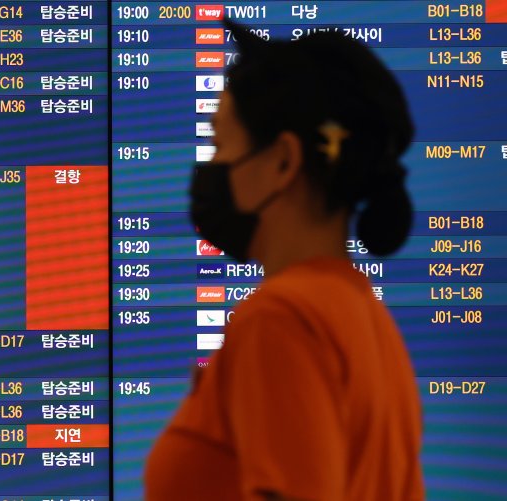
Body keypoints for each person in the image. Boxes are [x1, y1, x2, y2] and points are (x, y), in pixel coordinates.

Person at [144, 19, 425, 501]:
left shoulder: (281, 318)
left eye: (219, 144)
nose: (209, 167)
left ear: (282, 162)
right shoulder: (366, 318)